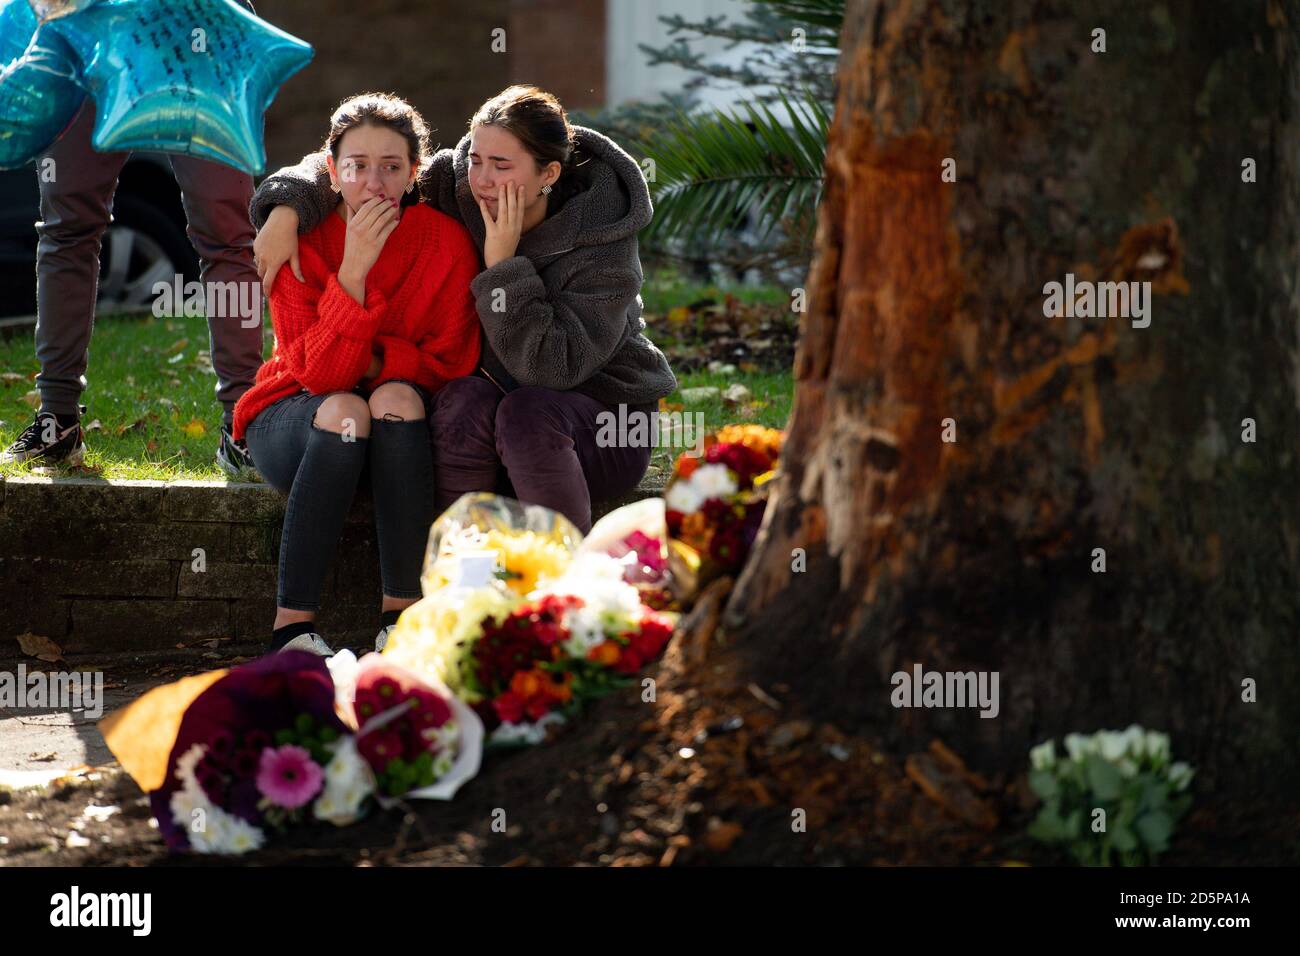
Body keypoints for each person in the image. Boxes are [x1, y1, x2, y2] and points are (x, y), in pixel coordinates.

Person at [249, 85, 676, 534]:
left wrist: (504, 268)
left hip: (603, 423)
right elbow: (365, 161)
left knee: (528, 413)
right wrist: (284, 207)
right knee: (460, 400)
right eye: (476, 160)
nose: (483, 180)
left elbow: (551, 369)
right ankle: (460, 576)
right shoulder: (455, 187)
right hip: (498, 421)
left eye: (501, 166)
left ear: (548, 173)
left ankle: (562, 589)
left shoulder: (603, 241)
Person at [232, 92, 481, 656]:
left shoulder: (443, 243)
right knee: (347, 408)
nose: (374, 183)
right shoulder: (301, 238)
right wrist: (353, 269)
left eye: (392, 167)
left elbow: (449, 360)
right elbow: (320, 375)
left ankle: (403, 615)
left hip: (397, 433)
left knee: (396, 397)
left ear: (415, 173)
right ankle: (292, 627)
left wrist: (375, 363)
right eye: (357, 166)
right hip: (295, 418)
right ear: (331, 170)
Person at [1, 1, 263, 475]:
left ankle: (242, 425)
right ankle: (56, 421)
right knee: (67, 228)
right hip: (88, 31)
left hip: (199, 31)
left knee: (227, 235)